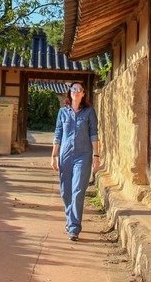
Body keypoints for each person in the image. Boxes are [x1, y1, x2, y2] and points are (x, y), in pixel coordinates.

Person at [51, 81, 99, 241]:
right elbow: (58, 134)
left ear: (84, 93)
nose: (76, 92)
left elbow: (94, 133)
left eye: (80, 90)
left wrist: (96, 156)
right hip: (65, 155)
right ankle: (70, 218)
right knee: (66, 191)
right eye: (74, 89)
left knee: (78, 190)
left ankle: (74, 228)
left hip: (83, 155)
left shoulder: (89, 112)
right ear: (69, 92)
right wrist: (54, 155)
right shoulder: (62, 112)